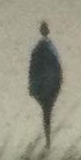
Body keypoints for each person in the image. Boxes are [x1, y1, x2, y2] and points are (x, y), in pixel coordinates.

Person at [28, 20, 62, 148]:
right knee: (47, 113)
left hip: (47, 85)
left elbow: (34, 68)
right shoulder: (45, 47)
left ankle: (48, 141)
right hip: (47, 85)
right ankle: (48, 141)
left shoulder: (44, 47)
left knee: (46, 113)